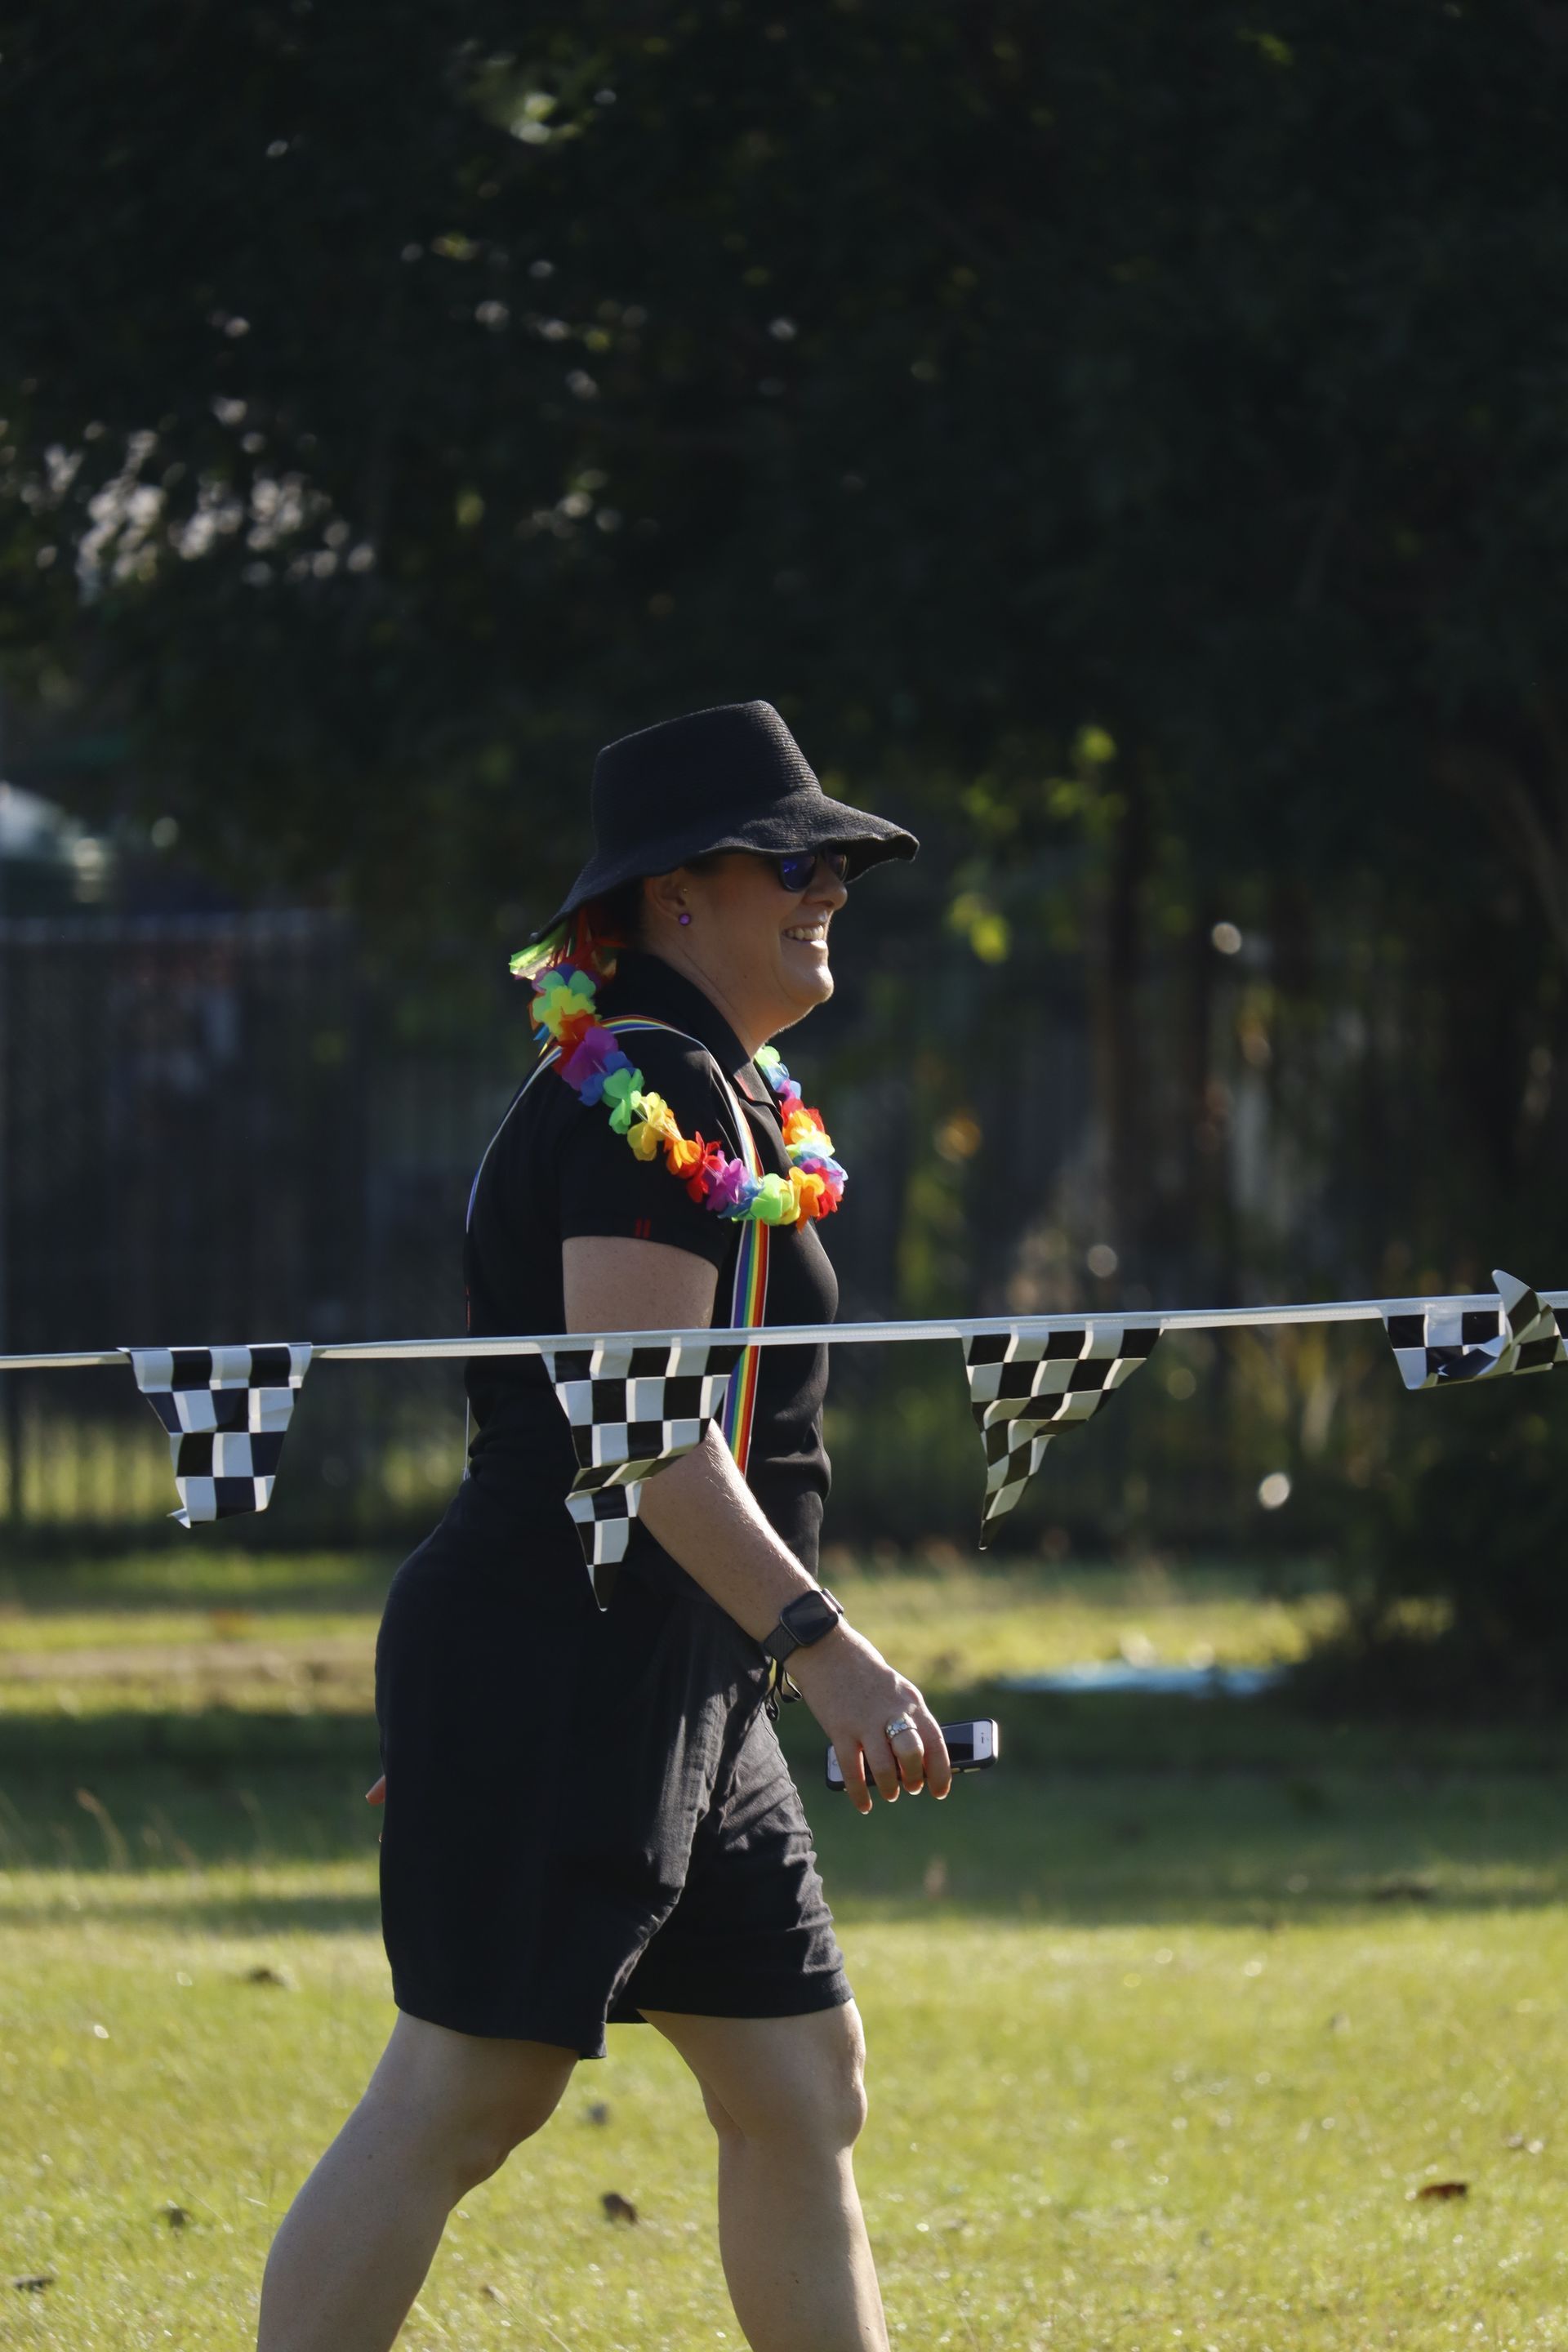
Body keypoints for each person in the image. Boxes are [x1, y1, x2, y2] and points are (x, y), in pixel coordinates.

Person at [256, 700, 952, 2352]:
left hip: (684, 1664)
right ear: (673, 897)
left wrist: (759, 1659)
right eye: (793, 859)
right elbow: (647, 1438)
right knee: (470, 2088)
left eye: (838, 862)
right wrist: (828, 1651)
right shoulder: (646, 1089)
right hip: (567, 1650)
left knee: (798, 2078)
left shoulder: (725, 1088)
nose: (829, 886)